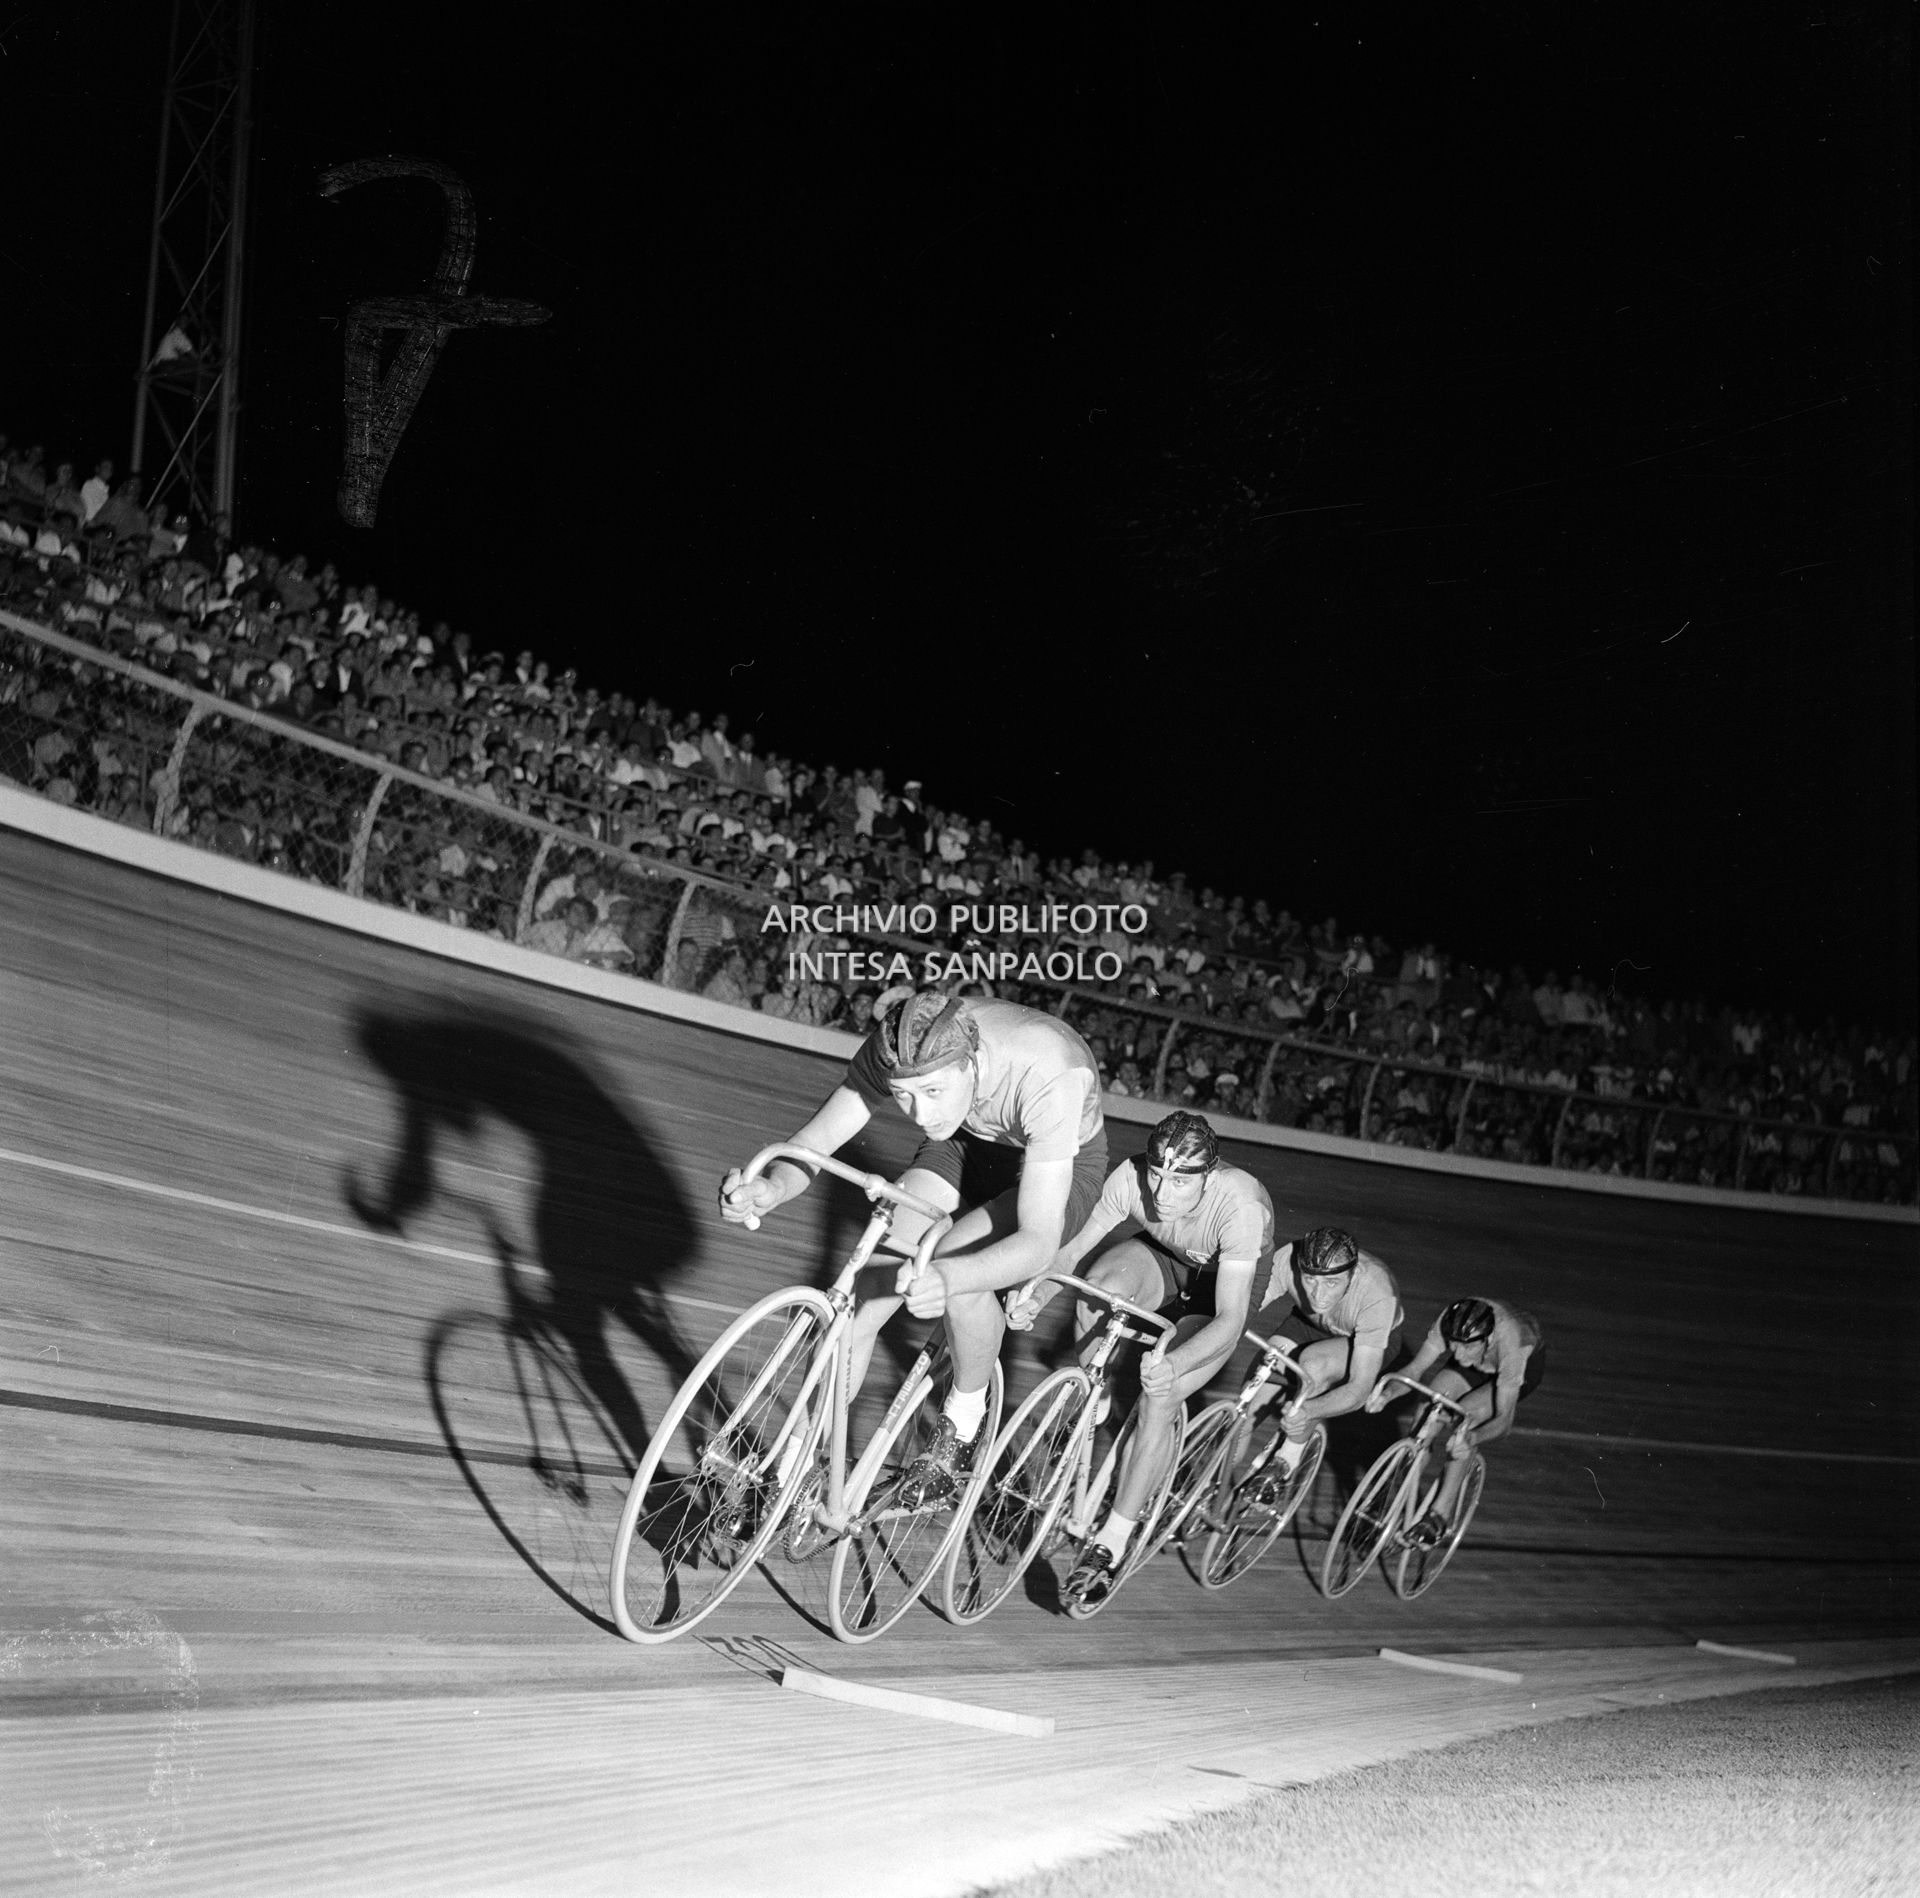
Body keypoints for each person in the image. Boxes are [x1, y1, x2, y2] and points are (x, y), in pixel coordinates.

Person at [718, 988, 1109, 1504]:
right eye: (903, 1096)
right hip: (965, 1139)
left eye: (930, 1091)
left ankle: (962, 1426)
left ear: (971, 1062)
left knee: (958, 1268)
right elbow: (816, 1142)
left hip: (1060, 1164)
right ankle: (789, 1470)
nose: (919, 1115)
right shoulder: (902, 1047)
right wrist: (771, 1189)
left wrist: (948, 1279)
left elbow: (1037, 1242)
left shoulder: (1049, 1071)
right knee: (864, 1299)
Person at [1006, 1111, 1279, 1605]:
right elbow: (1069, 1255)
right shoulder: (1130, 1179)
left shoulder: (1240, 1205)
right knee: (1098, 1291)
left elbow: (1230, 1320)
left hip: (1221, 1291)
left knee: (1162, 1394)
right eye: (1156, 1175)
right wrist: (1037, 1297)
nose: (1162, 1193)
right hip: (1165, 1256)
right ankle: (1099, 1395)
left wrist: (1172, 1365)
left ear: (1208, 1176)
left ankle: (1112, 1539)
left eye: (1179, 1181)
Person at [1372, 1295, 1543, 1547]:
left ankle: (1439, 1516)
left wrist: (1472, 1438)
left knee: (1465, 1421)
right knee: (1428, 1411)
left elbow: (1504, 1420)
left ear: (1488, 1338)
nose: (1459, 1354)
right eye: (1453, 1345)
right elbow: (1414, 1370)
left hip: (1515, 1371)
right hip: (1477, 1361)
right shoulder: (1451, 1323)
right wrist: (1388, 1393)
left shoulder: (1511, 1344)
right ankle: (1397, 1501)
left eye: (1466, 1347)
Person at [1247, 1225, 1405, 1494]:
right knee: (1247, 1408)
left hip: (1363, 1341)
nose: (1318, 1295)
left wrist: (1308, 1411)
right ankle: (1205, 1492)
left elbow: (1359, 1389)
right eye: (1310, 1279)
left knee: (1314, 1365)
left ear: (1353, 1276)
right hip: (1307, 1324)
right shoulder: (1287, 1259)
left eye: (1332, 1282)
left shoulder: (1377, 1293)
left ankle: (1287, 1458)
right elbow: (1240, 1312)